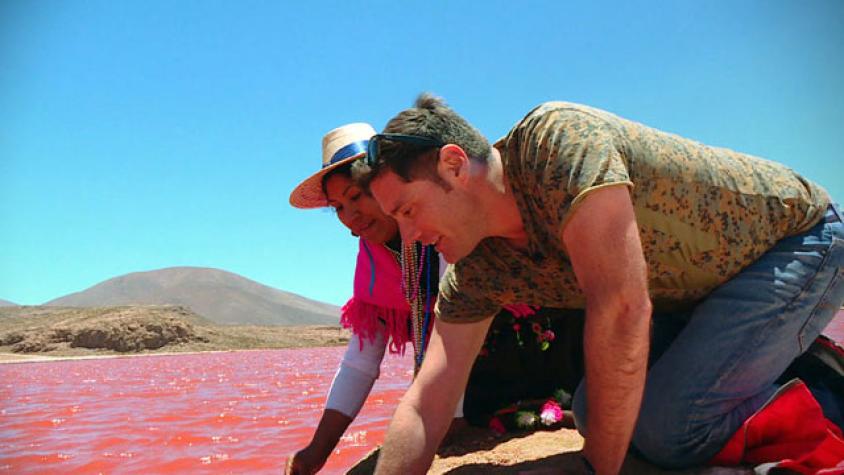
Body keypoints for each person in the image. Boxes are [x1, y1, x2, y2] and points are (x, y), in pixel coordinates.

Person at [355, 94, 844, 474]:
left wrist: (594, 468)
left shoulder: (556, 142)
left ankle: (824, 389)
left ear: (455, 166)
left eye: (408, 210)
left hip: (795, 243)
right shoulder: (479, 267)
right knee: (596, 412)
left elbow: (623, 307)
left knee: (668, 431)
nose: (409, 236)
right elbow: (426, 401)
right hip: (704, 293)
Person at [286, 123, 584, 474]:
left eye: (356, 196)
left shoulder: (441, 222)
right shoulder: (371, 260)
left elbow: (454, 322)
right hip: (460, 365)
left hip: (512, 344)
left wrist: (449, 420)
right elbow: (360, 360)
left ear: (384, 185)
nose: (350, 218)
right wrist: (316, 452)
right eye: (337, 207)